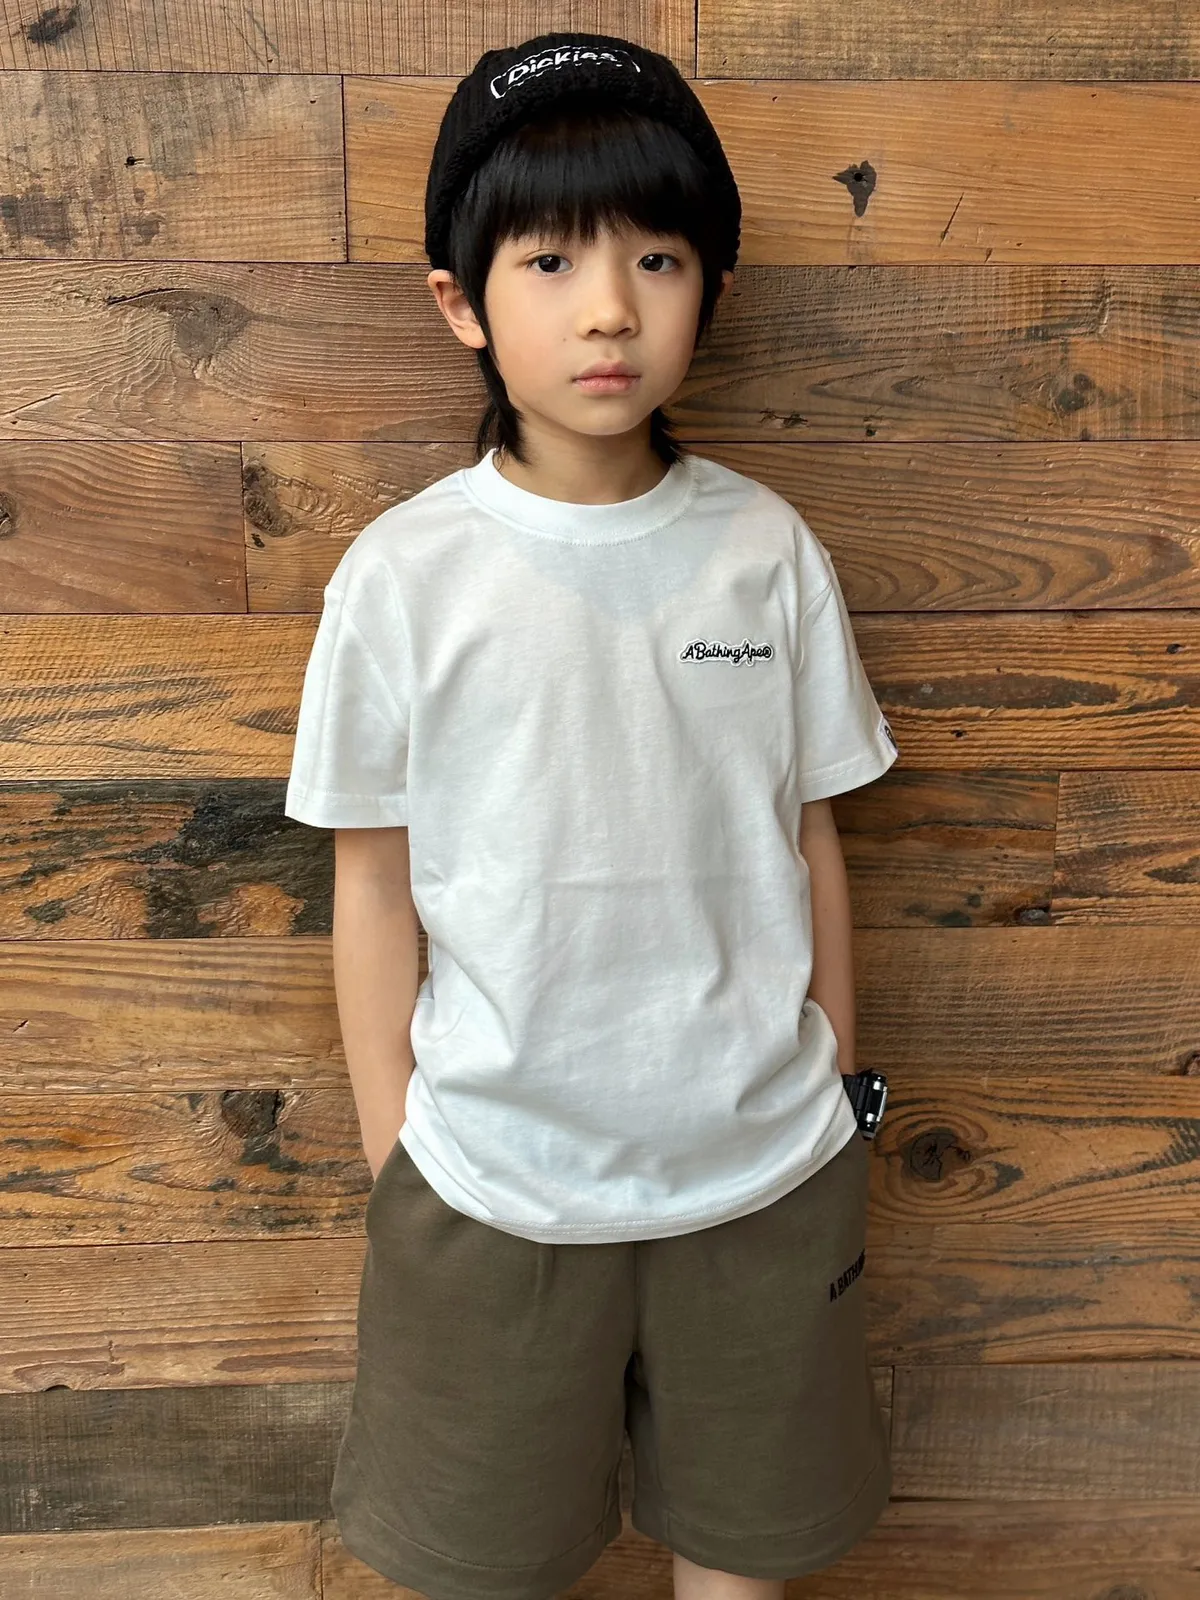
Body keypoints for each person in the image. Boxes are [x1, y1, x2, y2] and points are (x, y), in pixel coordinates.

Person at [284, 30, 900, 1600]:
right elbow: (374, 883)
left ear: (714, 290)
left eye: (658, 259)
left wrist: (835, 1080)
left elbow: (810, 832)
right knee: (479, 1567)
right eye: (550, 260)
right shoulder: (402, 578)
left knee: (746, 1559)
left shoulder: (767, 551)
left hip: (764, 1173)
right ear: (461, 302)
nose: (609, 307)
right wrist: (398, 1151)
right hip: (488, 1186)